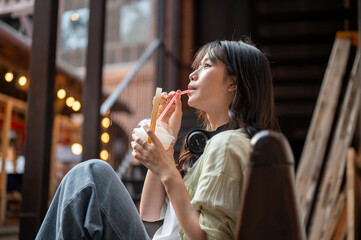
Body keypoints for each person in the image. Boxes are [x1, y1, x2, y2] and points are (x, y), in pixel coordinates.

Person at [36, 38, 280, 240]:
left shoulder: (228, 145)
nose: (193, 74)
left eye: (206, 66)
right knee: (88, 177)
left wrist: (167, 170)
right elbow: (150, 214)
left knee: (91, 175)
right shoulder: (209, 147)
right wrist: (166, 141)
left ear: (233, 83)